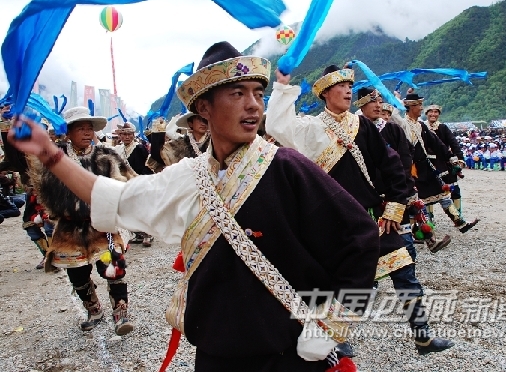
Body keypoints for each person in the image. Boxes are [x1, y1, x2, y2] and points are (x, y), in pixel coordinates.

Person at [10, 42, 380, 371]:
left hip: (290, 352)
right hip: (217, 351)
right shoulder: (186, 177)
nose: (253, 104)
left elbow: (360, 238)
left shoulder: (287, 167)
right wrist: (50, 154)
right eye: (237, 93)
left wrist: (331, 325)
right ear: (204, 107)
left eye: (257, 93)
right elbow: (115, 198)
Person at [267, 65, 454, 356]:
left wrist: (395, 205)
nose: (347, 90)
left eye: (349, 86)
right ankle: (335, 339)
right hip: (334, 222)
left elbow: (390, 163)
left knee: (404, 273)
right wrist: (281, 88)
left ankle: (423, 337)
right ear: (326, 92)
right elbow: (278, 125)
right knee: (338, 283)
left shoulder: (361, 125)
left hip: (372, 216)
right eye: (340, 86)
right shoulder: (310, 129)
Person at [23, 106, 136, 335]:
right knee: (77, 274)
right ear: (68, 132)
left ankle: (120, 312)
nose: (86, 133)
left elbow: (129, 180)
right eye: (80, 128)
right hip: (69, 229)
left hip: (102, 226)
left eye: (89, 129)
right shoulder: (56, 158)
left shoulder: (106, 156)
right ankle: (94, 309)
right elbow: (38, 181)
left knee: (113, 267)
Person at [358, 88, 451, 253]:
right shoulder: (356, 130)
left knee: (408, 228)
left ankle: (428, 242)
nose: (378, 106)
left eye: (380, 101)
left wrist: (403, 179)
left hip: (399, 184)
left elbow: (406, 155)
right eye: (373, 102)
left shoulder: (393, 129)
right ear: (361, 106)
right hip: (371, 191)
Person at [394, 90, 479, 234]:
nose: (422, 108)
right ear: (411, 107)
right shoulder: (403, 124)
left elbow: (437, 144)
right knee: (418, 202)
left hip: (426, 167)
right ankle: (426, 234)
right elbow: (394, 115)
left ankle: (460, 223)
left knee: (444, 195)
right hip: (413, 170)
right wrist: (397, 100)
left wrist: (452, 157)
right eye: (419, 105)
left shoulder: (421, 125)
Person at [425, 103, 465, 215]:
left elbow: (454, 143)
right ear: (426, 114)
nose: (433, 114)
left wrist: (460, 159)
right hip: (427, 163)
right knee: (427, 192)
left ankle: (458, 215)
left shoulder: (443, 128)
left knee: (454, 189)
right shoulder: (421, 127)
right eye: (431, 112)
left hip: (444, 162)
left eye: (436, 112)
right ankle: (429, 217)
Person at [22, 185, 54, 269]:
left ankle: (53, 256)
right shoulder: (30, 195)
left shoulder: (52, 188)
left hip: (53, 213)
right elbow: (28, 212)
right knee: (30, 228)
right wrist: (34, 218)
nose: (34, 193)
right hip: (39, 214)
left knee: (49, 227)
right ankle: (47, 254)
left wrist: (46, 216)